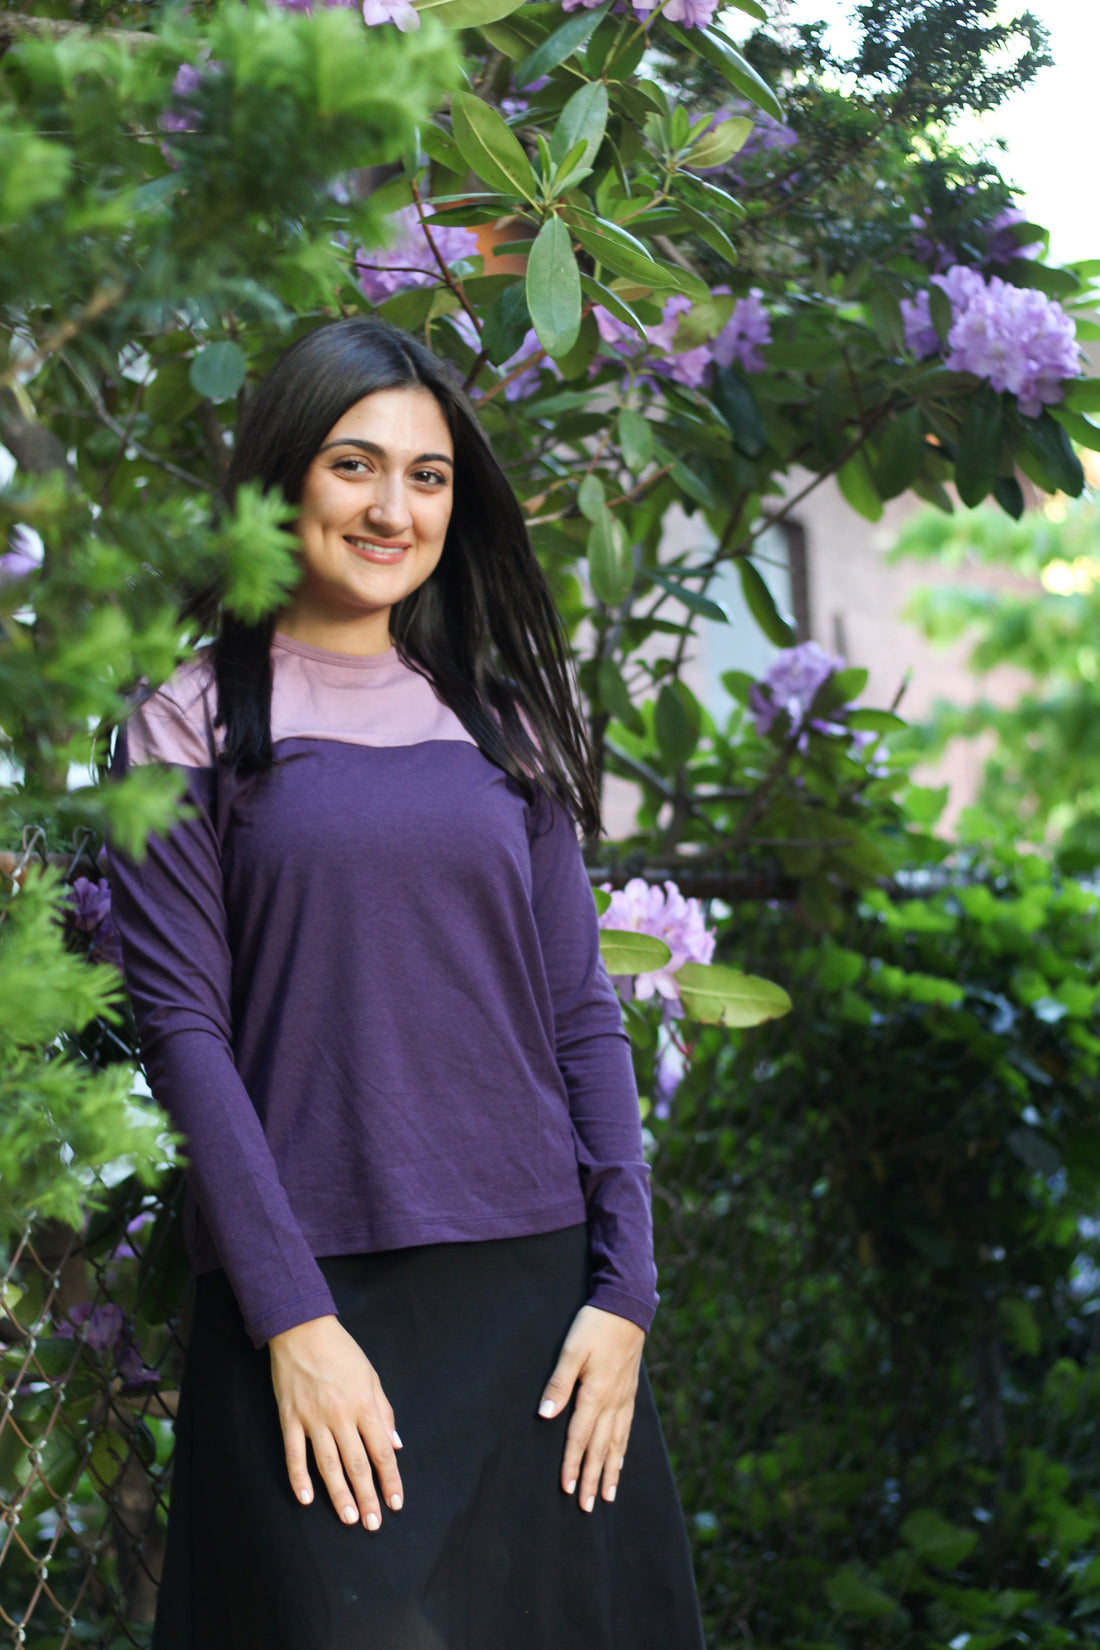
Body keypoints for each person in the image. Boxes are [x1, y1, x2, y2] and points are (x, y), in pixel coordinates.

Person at [107, 316, 706, 1650]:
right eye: (353, 465)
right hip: (312, 1304)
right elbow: (183, 1029)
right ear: (283, 481)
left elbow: (579, 1014)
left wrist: (624, 1290)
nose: (393, 507)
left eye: (427, 475)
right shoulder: (186, 723)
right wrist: (291, 1318)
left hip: (537, 1310)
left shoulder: (505, 722)